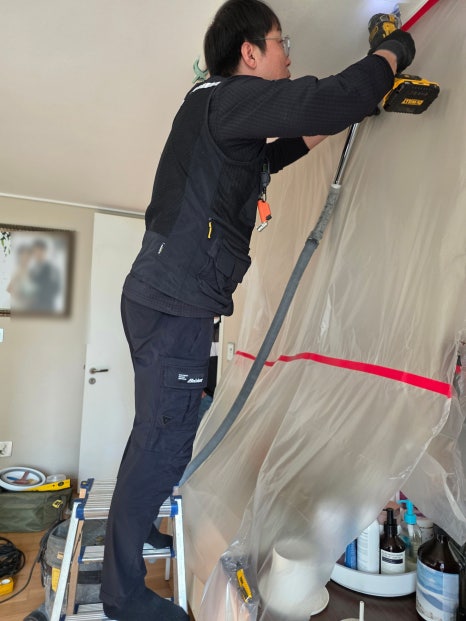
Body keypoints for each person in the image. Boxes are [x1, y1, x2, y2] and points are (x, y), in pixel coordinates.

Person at [100, 1, 415, 619]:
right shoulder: (227, 97)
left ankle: (132, 541)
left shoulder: (216, 117)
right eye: (280, 43)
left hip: (169, 300)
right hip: (174, 303)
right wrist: (393, 53)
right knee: (162, 443)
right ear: (249, 52)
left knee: (159, 436)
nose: (288, 56)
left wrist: (352, 109)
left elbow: (272, 157)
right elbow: (322, 100)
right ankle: (122, 596)